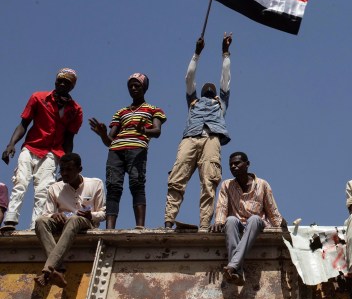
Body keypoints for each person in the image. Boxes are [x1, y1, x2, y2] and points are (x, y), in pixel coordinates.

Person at [1, 68, 83, 232]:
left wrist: (66, 164)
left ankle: (35, 225)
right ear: (55, 81)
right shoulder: (38, 98)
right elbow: (24, 124)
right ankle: (11, 219)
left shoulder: (75, 110)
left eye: (66, 82)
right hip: (31, 147)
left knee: (44, 190)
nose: (61, 84)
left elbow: (69, 139)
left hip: (52, 154)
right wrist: (11, 144)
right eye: (59, 80)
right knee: (20, 182)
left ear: (71, 87)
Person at [165, 34, 232, 231]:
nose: (210, 87)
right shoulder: (193, 101)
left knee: (209, 182)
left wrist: (225, 53)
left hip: (211, 138)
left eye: (212, 88)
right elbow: (189, 78)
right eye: (206, 87)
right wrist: (196, 54)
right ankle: (169, 220)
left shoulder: (222, 102)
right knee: (177, 177)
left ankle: (204, 224)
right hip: (191, 138)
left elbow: (225, 77)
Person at [89, 73, 166, 229]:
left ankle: (139, 226)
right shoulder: (121, 112)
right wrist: (103, 134)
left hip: (137, 149)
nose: (133, 88)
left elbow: (157, 131)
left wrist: (143, 129)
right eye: (130, 86)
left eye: (136, 85)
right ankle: (110, 228)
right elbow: (110, 141)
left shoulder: (153, 110)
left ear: (144, 87)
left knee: (137, 184)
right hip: (116, 150)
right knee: (113, 187)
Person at [212, 152, 286, 285]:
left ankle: (232, 265)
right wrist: (218, 221)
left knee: (254, 219)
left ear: (247, 164)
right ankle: (236, 271)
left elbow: (272, 209)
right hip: (237, 224)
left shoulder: (262, 184)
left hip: (256, 225)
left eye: (237, 163)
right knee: (230, 220)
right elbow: (222, 207)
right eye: (231, 165)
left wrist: (281, 225)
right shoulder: (226, 185)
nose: (233, 167)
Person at [33, 153, 105, 288]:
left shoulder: (96, 184)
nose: (64, 173)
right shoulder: (55, 188)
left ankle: (47, 271)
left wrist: (91, 215)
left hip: (85, 223)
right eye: (62, 170)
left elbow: (102, 213)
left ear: (79, 169)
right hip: (63, 223)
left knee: (74, 219)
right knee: (40, 222)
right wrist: (54, 215)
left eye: (69, 170)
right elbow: (46, 213)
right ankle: (58, 269)